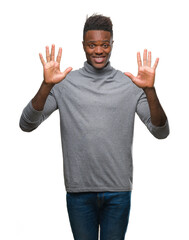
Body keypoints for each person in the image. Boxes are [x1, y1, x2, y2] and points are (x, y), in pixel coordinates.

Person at [20, 14, 169, 240]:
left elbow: (161, 131)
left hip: (118, 191)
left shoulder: (130, 84)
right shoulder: (64, 83)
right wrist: (46, 85)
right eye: (92, 45)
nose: (98, 51)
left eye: (104, 45)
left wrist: (149, 90)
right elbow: (26, 124)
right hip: (79, 192)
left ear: (111, 45)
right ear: (83, 46)